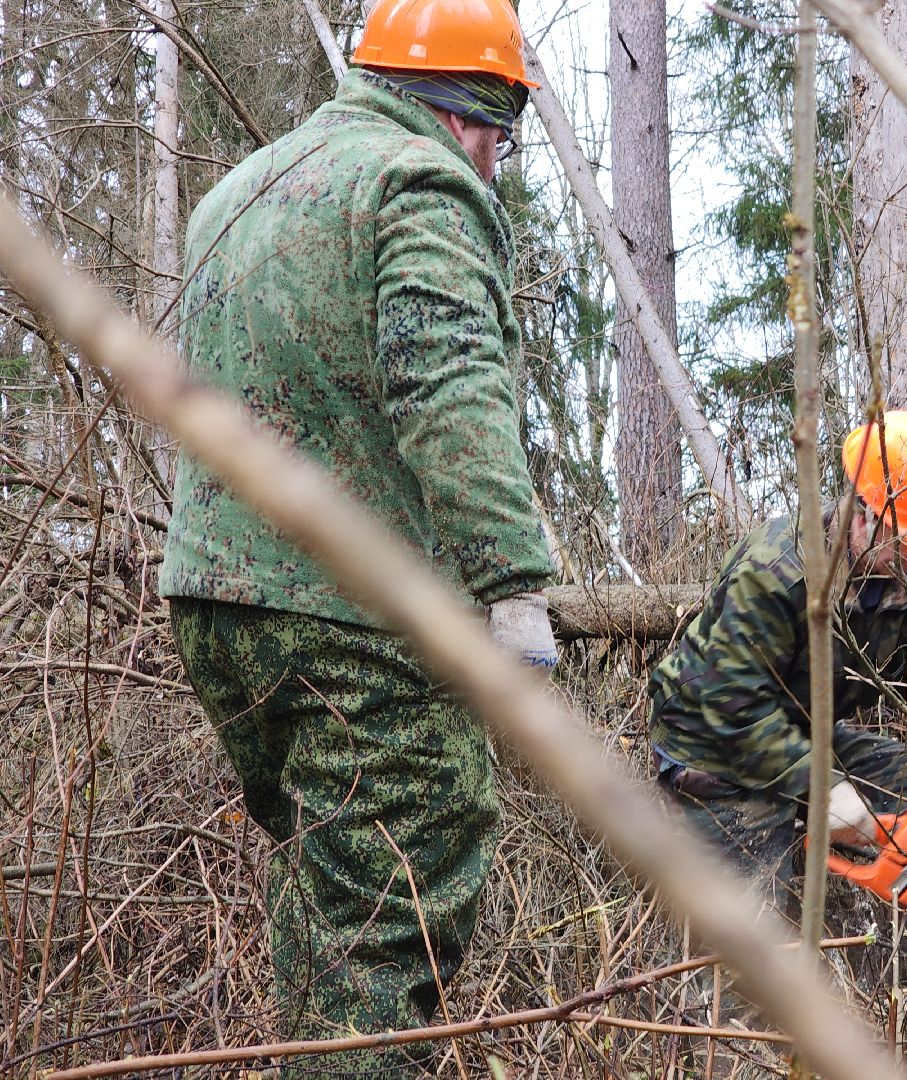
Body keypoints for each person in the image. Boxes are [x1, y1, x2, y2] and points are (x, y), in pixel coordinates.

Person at [159, 0, 555, 1071]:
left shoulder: (237, 191)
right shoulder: (417, 182)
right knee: (392, 925)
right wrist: (514, 585)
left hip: (214, 604)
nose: (493, 161)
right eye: (500, 138)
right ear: (475, 114)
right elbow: (449, 383)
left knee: (327, 908)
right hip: (351, 619)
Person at [648, 410, 907, 913]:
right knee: (755, 927)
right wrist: (821, 787)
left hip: (807, 731)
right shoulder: (777, 571)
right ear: (864, 515)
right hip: (713, 747)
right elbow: (731, 705)